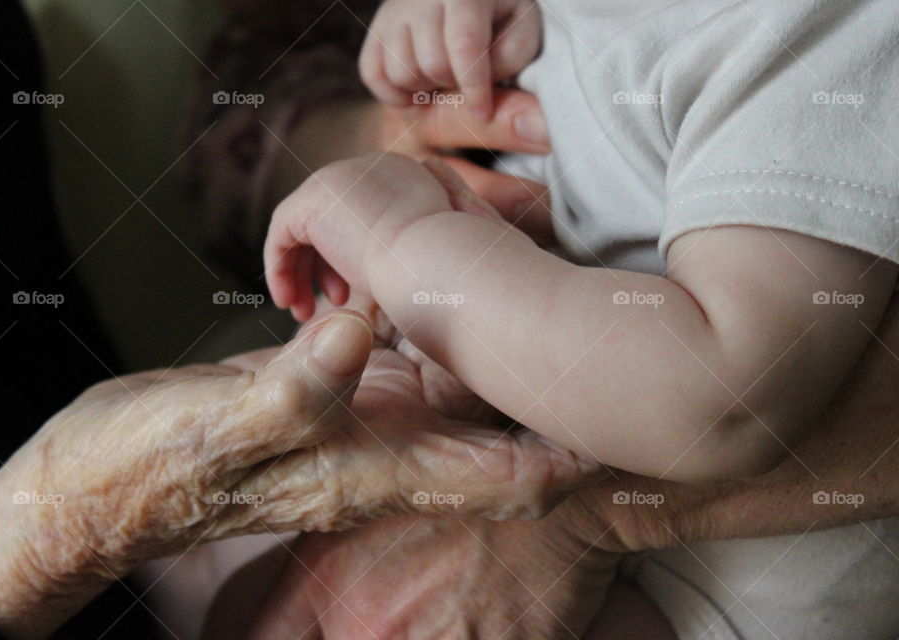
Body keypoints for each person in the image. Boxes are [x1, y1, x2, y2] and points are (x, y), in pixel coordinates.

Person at [257, 0, 899, 637]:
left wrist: (402, 240)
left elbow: (723, 401)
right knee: (257, 575)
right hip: (499, 415)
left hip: (696, 591)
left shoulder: (804, 35)